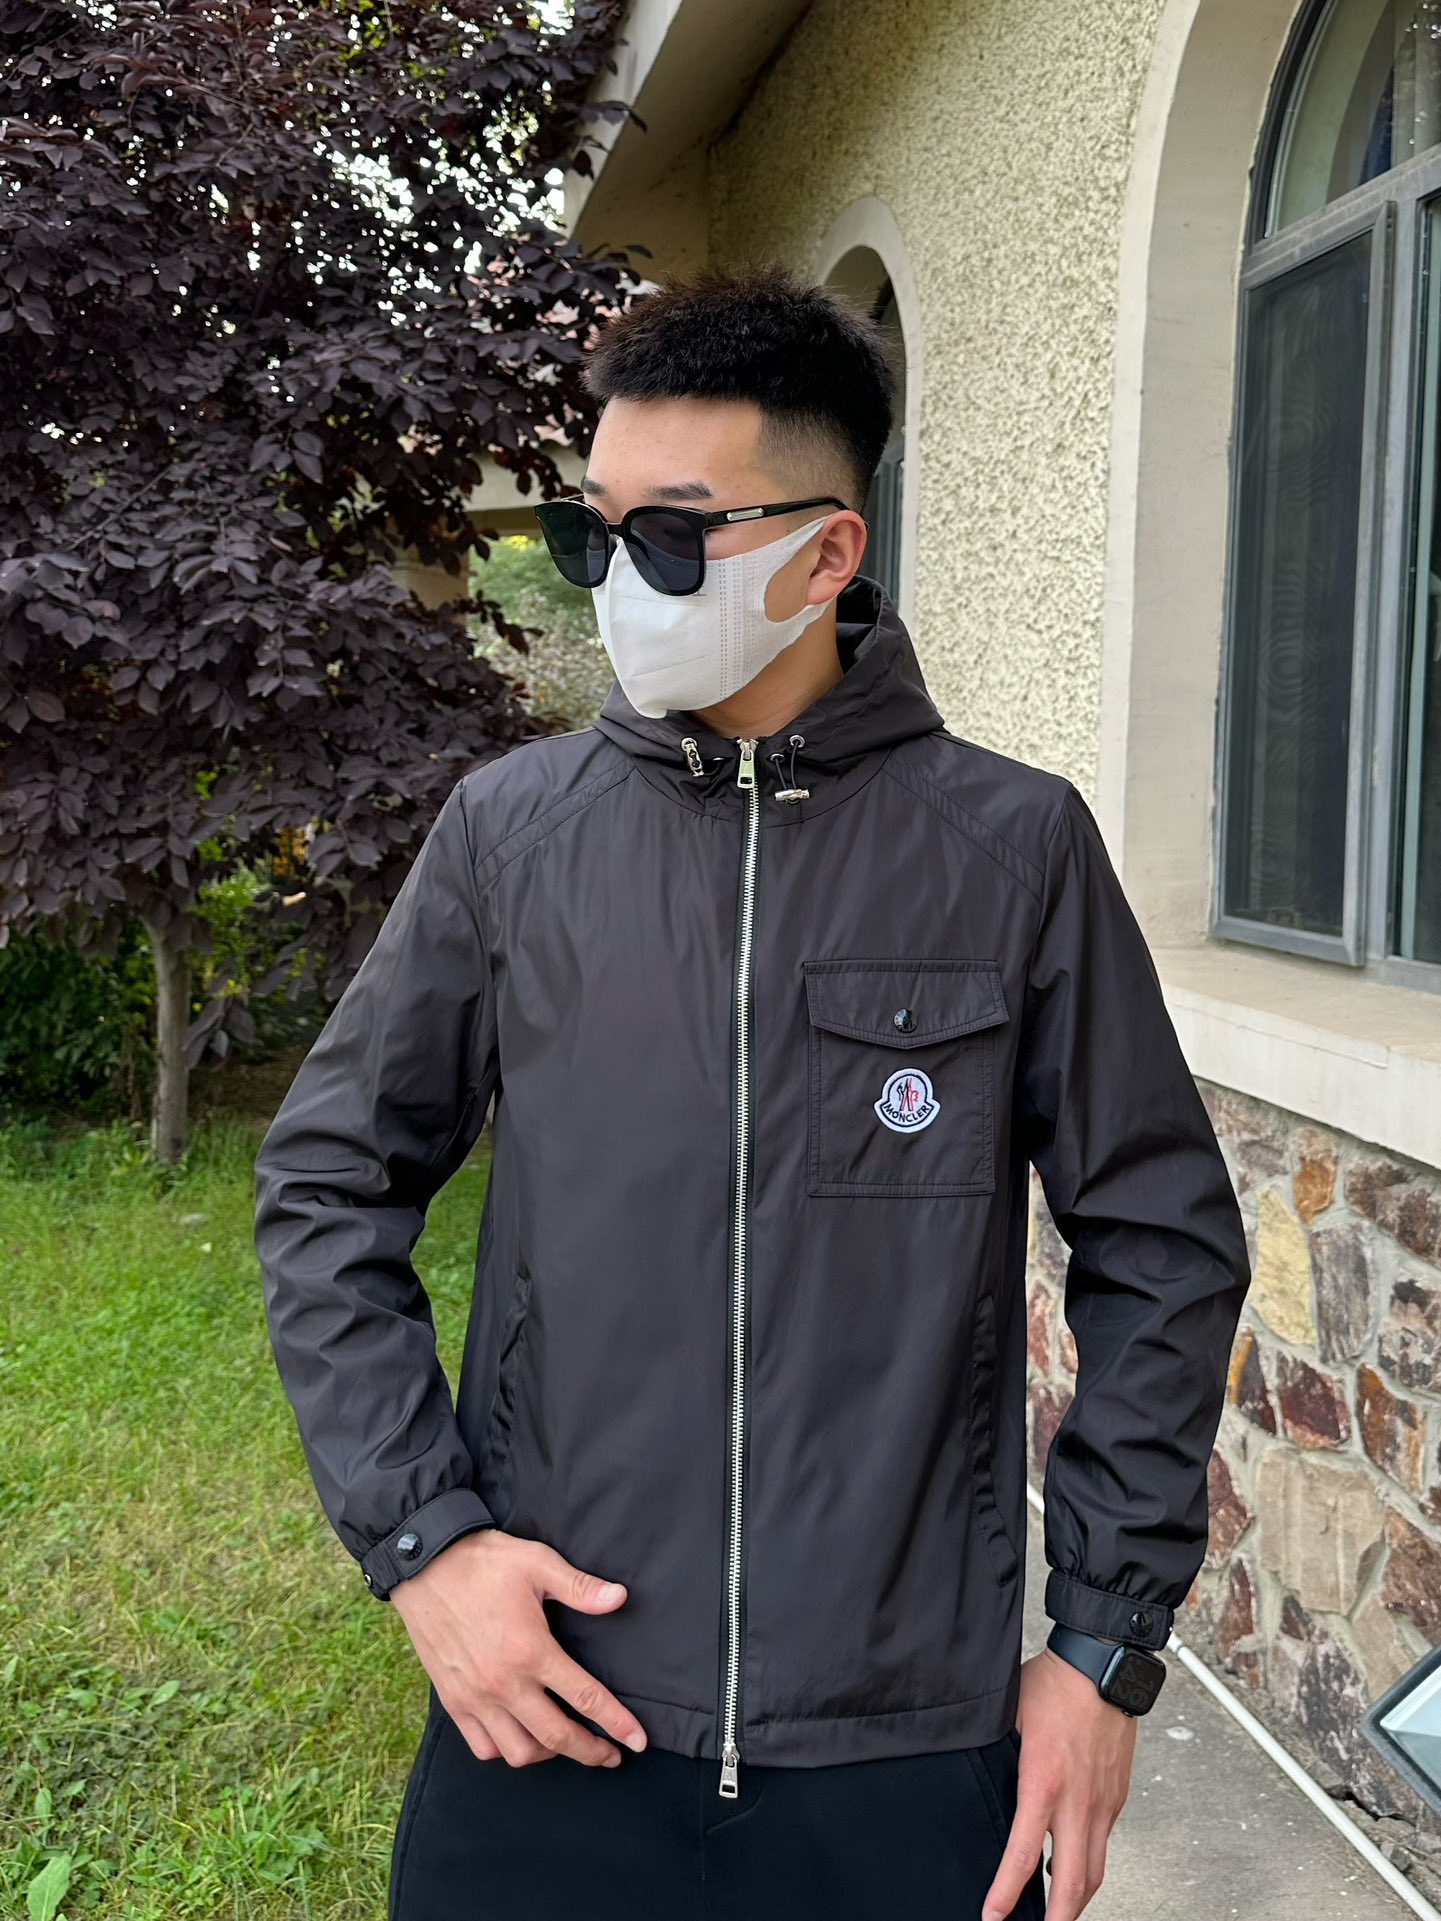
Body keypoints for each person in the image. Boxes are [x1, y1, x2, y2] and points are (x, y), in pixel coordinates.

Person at [253, 260, 1252, 1921]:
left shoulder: (1010, 850)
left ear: (827, 551)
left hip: (902, 1752)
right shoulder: (512, 837)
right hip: (550, 1707)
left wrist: (1101, 1648)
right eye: (592, 533)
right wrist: (424, 1541)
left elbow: (1162, 1245)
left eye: (668, 537)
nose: (614, 582)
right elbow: (326, 1184)